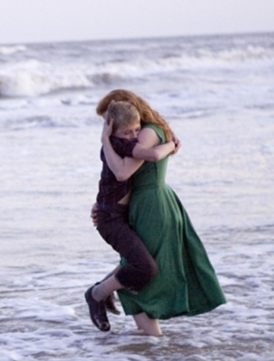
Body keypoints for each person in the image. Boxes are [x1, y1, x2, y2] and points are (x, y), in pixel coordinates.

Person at [93, 89, 226, 336]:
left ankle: (106, 297)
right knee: (141, 264)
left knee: (143, 267)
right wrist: (104, 204)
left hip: (150, 206)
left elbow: (124, 173)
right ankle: (149, 339)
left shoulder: (145, 134)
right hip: (149, 203)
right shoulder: (148, 131)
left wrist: (105, 141)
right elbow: (118, 179)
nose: (108, 127)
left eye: (110, 120)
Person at [85, 101, 179, 332]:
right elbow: (153, 156)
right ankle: (97, 294)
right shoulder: (120, 144)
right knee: (144, 267)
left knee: (140, 263)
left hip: (119, 214)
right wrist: (172, 144)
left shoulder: (120, 141)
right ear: (112, 129)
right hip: (110, 218)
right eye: (127, 132)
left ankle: (114, 288)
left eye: (137, 130)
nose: (133, 136)